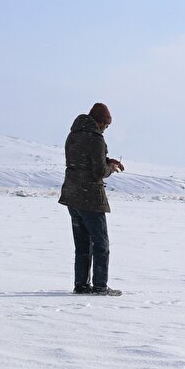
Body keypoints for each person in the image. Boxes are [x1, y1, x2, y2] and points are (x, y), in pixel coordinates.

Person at [58, 102, 124, 296]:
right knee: (100, 243)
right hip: (90, 198)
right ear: (100, 121)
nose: (106, 128)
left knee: (82, 244)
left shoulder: (74, 134)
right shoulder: (96, 139)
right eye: (106, 124)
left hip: (71, 195)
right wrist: (109, 168)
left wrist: (106, 160)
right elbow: (96, 172)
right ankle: (100, 286)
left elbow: (81, 161)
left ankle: (81, 285)